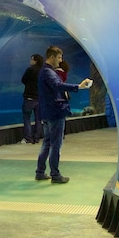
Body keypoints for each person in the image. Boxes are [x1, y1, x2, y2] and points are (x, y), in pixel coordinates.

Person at [36, 46, 92, 183]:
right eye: (59, 58)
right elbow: (58, 85)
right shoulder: (49, 72)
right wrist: (79, 86)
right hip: (55, 112)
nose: (61, 61)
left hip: (47, 112)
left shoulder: (45, 71)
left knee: (47, 143)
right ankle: (55, 174)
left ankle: (40, 172)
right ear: (52, 57)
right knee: (56, 144)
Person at [20, 54, 44, 144]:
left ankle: (28, 138)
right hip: (40, 98)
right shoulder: (43, 71)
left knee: (27, 118)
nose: (30, 61)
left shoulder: (30, 70)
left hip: (29, 97)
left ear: (35, 61)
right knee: (38, 119)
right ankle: (37, 137)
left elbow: (23, 80)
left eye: (32, 59)